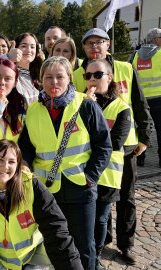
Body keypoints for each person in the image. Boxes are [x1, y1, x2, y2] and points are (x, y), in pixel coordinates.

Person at [18, 56, 112, 270]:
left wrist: (91, 177)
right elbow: (26, 148)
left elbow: (103, 146)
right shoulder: (32, 111)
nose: (54, 83)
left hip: (80, 189)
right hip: (46, 191)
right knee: (53, 245)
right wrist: (25, 167)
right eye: (48, 77)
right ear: (40, 80)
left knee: (83, 246)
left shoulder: (86, 105)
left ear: (69, 78)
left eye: (60, 77)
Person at [73, 28, 153, 265]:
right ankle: (103, 239)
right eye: (89, 44)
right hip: (93, 148)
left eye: (99, 42)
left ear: (108, 44)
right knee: (99, 197)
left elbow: (140, 102)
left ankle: (126, 244)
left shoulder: (125, 68)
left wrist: (145, 136)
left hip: (125, 146)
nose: (94, 47)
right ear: (84, 48)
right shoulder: (79, 73)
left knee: (126, 198)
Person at [0, 139, 83, 269]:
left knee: (61, 254)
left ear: (18, 165)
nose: (5, 166)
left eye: (11, 162)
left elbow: (56, 231)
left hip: (31, 253)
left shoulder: (32, 186)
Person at [84, 59, 131, 270]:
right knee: (85, 218)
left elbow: (115, 142)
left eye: (98, 75)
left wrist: (92, 110)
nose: (92, 79)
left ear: (109, 77)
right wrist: (86, 106)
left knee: (100, 220)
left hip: (107, 174)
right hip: (83, 172)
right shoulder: (81, 102)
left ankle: (96, 256)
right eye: (88, 76)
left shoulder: (121, 107)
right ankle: (87, 254)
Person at [0, 32, 43, 105]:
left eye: (32, 47)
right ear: (15, 48)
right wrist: (8, 57)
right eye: (24, 46)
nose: (29, 50)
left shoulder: (39, 74)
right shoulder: (5, 71)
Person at [132, 28, 161, 167]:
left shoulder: (135, 56)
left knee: (141, 129)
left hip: (140, 100)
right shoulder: (160, 54)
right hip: (159, 98)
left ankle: (139, 159)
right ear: (155, 39)